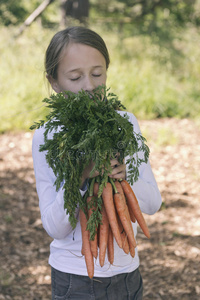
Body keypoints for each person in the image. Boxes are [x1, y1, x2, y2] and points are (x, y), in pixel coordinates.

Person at [32, 26, 162, 300]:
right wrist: (79, 177)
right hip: (74, 278)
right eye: (76, 77)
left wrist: (128, 174)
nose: (89, 86)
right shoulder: (48, 136)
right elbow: (56, 228)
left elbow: (151, 205)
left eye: (97, 73)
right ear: (54, 82)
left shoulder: (125, 124)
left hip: (127, 275)